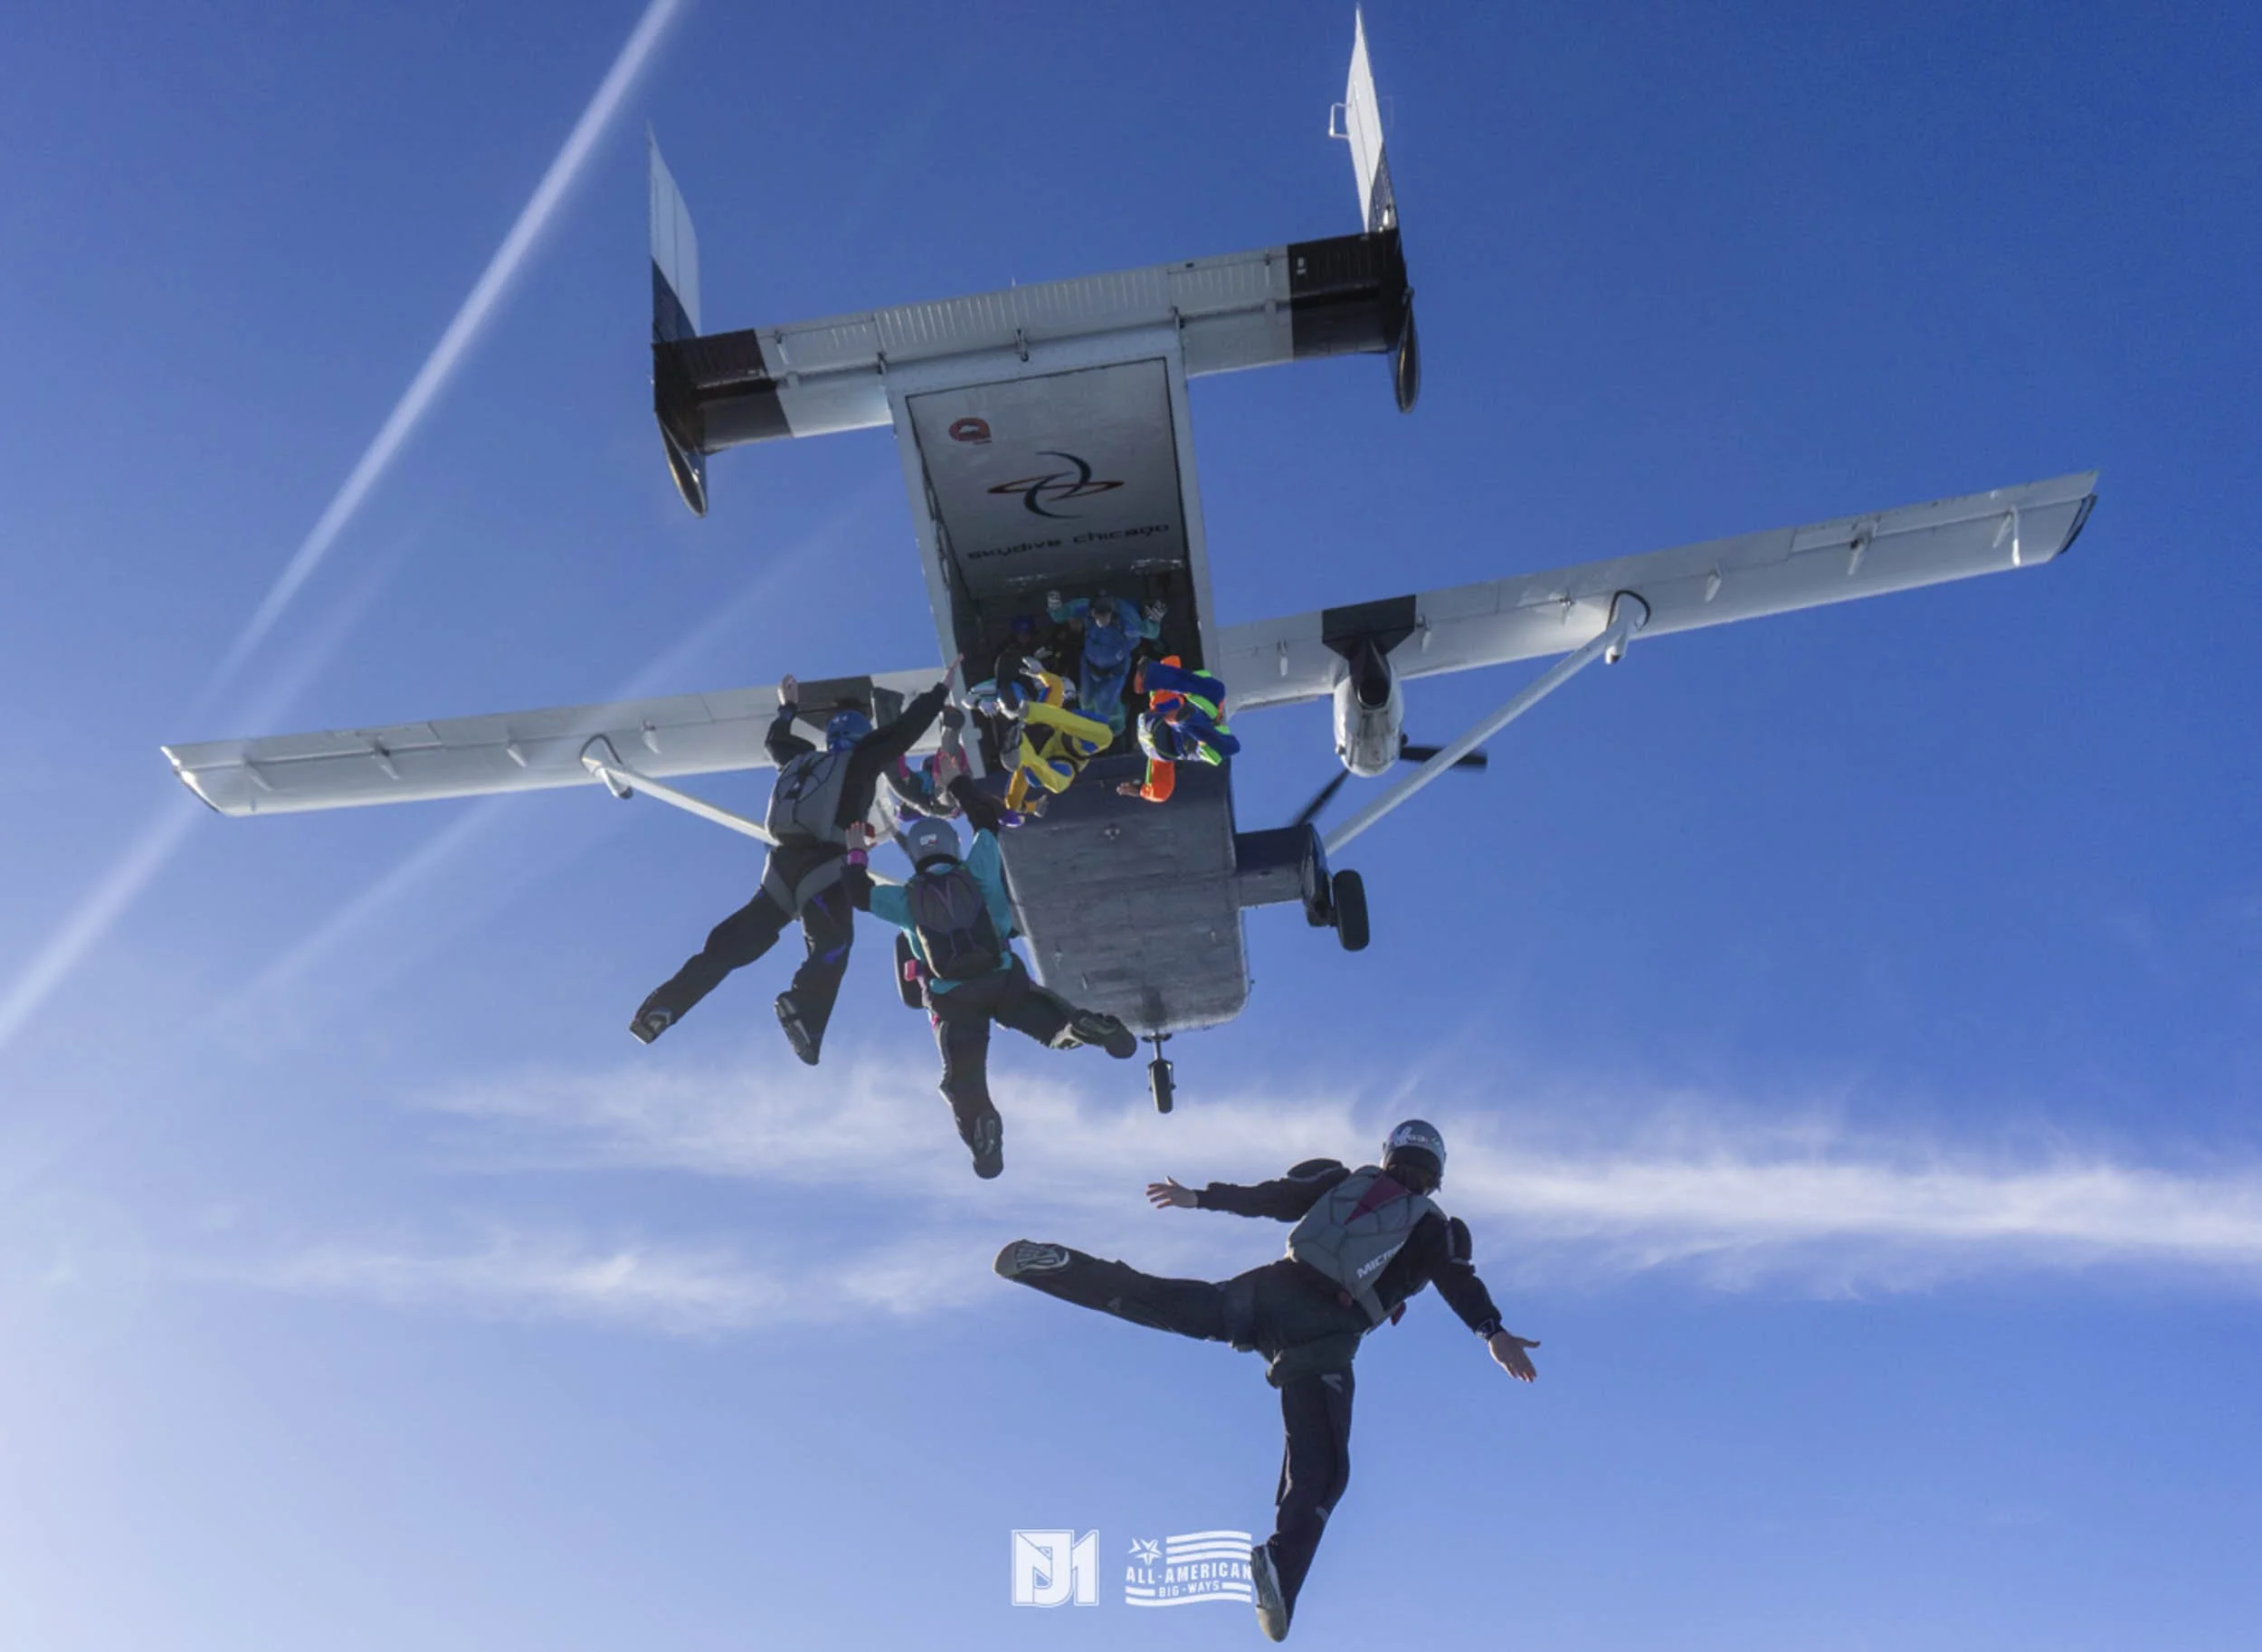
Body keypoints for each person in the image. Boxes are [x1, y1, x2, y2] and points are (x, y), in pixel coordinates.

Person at [994, 1120, 1538, 1640]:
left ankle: (1060, 1267)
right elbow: (1457, 1280)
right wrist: (1493, 1332)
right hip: (1323, 1335)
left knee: (1161, 1301)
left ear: (1389, 1154)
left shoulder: (1341, 1180)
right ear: (1436, 1171)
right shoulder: (1435, 1227)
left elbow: (1272, 1197)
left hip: (1267, 1292)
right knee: (1322, 1470)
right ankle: (1279, 1565)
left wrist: (1200, 1198)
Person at [629, 668, 953, 1060]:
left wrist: (788, 709)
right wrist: (940, 691)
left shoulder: (798, 760)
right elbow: (905, 730)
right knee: (831, 946)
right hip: (826, 866)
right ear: (860, 737)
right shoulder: (861, 761)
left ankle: (662, 1007)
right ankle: (804, 1012)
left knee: (727, 947)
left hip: (781, 866)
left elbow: (774, 741)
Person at [862, 778, 1136, 1177]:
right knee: (1055, 1030)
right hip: (1003, 979)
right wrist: (957, 783)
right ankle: (1079, 1027)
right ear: (951, 846)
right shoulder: (977, 867)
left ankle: (981, 1133)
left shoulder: (904, 898)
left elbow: (852, 890)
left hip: (953, 1004)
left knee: (962, 1084)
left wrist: (853, 851)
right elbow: (985, 820)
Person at [1116, 655, 1240, 804]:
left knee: (1229, 746)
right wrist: (1139, 790)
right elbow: (1160, 793)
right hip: (1159, 735)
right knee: (1218, 746)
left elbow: (1173, 664)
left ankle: (1182, 721)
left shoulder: (1172, 701)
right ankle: (1183, 723)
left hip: (1167, 729)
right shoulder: (1170, 702)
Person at [1047, 590, 1164, 737]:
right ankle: (1089, 731)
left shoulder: (1125, 617)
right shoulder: (1086, 607)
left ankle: (1115, 728)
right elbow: (1060, 615)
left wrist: (1154, 621)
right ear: (1092, 611)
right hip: (1089, 665)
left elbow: (1148, 632)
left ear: (1112, 613)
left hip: (1115, 669)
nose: (1100, 619)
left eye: (1105, 614)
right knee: (1086, 701)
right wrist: (1055, 606)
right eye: (1097, 614)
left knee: (1105, 702)